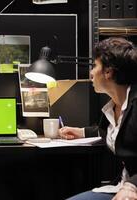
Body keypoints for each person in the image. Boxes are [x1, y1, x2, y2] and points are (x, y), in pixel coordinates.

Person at [59, 37, 137, 200]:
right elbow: (110, 130)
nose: (91, 73)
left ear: (108, 72)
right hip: (121, 187)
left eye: (95, 66)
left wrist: (132, 186)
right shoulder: (113, 106)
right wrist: (80, 132)